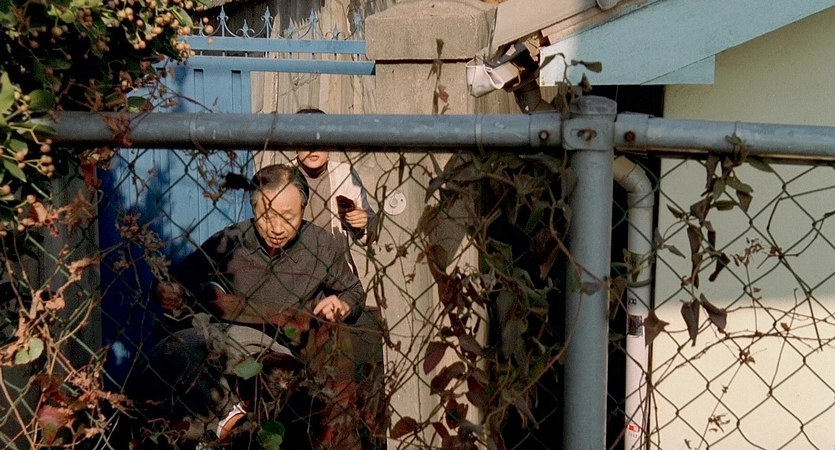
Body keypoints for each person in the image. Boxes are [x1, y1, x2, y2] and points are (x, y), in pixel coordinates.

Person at [152, 164, 366, 450]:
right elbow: (179, 280)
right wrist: (168, 290)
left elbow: (354, 291)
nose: (276, 228)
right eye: (266, 216)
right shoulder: (231, 241)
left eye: (288, 217)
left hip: (291, 352)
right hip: (238, 344)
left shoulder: (321, 244)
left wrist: (343, 303)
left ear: (303, 208)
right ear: (254, 210)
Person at [293, 108, 378, 275]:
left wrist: (361, 223)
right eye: (305, 139)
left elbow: (367, 237)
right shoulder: (283, 177)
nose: (313, 148)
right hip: (295, 272)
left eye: (320, 138)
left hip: (336, 271)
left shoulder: (345, 174)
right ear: (294, 144)